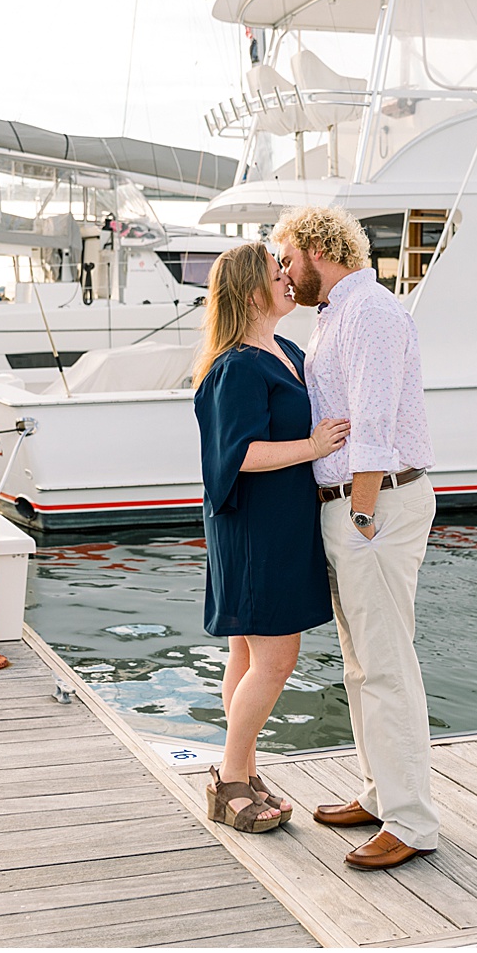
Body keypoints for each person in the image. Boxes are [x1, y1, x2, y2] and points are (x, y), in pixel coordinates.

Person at [274, 205, 440, 871]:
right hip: (355, 505)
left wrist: (363, 512)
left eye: (288, 258)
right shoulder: (337, 314)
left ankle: (411, 821)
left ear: (318, 248)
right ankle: (380, 793)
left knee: (386, 663)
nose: (285, 271)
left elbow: (372, 421)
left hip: (374, 504)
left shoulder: (369, 311)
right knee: (362, 663)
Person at [192, 241, 350, 834]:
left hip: (280, 522)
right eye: (275, 271)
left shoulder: (286, 351)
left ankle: (245, 770)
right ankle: (230, 778)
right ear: (250, 290)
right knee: (277, 658)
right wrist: (314, 446)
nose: (287, 277)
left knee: (247, 654)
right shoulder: (236, 365)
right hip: (254, 528)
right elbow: (239, 455)